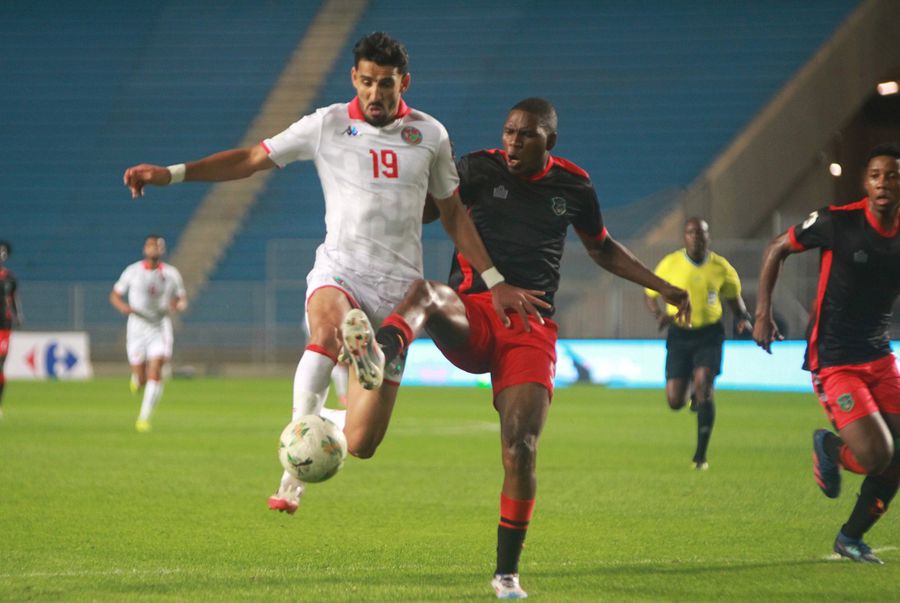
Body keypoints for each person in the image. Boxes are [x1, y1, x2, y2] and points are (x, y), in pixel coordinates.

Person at [122, 32, 540, 514]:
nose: (375, 93)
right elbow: (252, 159)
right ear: (353, 79)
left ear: (404, 82)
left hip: (398, 298)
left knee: (362, 443)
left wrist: (494, 280)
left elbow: (453, 216)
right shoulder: (327, 125)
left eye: (386, 84)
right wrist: (171, 173)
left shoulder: (431, 135)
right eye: (366, 82)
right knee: (325, 332)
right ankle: (290, 475)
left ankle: (341, 394)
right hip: (339, 271)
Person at [340, 98, 690, 599]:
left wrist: (661, 285)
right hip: (475, 312)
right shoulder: (479, 168)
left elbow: (603, 247)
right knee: (427, 294)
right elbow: (431, 212)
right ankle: (383, 347)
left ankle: (506, 574)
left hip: (529, 328)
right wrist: (402, 184)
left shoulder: (574, 185)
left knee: (520, 448)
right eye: (508, 131)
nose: (512, 142)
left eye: (525, 135)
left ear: (549, 140)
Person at [754, 143, 900, 564]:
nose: (883, 183)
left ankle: (850, 538)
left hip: (880, 355)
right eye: (876, 175)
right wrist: (763, 311)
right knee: (877, 455)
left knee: (897, 453)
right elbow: (777, 247)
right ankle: (830, 447)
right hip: (835, 358)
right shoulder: (840, 222)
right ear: (865, 183)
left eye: (892, 175)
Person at [643, 217, 752, 470]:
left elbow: (735, 300)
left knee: (705, 385)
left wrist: (742, 319)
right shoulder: (670, 263)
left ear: (708, 237)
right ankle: (692, 387)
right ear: (684, 237)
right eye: (691, 232)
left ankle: (700, 456)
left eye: (701, 233)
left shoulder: (721, 267)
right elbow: (650, 293)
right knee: (674, 401)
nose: (697, 237)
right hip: (680, 334)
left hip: (709, 335)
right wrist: (658, 314)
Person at [109, 235, 187, 432]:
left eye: (157, 246)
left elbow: (181, 299)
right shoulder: (133, 271)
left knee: (156, 370)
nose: (153, 249)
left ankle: (143, 418)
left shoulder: (171, 274)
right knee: (141, 378)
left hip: (159, 326)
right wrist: (123, 307)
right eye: (150, 245)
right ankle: (137, 379)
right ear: (145, 249)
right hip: (137, 326)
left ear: (162, 250)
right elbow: (115, 295)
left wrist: (177, 306)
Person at [0, 240, 22, 418]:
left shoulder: (9, 278)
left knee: (0, 365)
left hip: (3, 326)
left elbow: (13, 300)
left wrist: (18, 316)